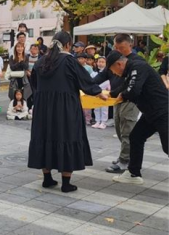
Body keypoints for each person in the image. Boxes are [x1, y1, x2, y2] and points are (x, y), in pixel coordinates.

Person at [28, 31, 107, 193]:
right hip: (65, 108)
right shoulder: (70, 61)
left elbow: (34, 83)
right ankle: (66, 182)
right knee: (67, 136)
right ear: (68, 45)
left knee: (44, 137)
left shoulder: (41, 62)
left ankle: (47, 178)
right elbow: (85, 82)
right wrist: (98, 92)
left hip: (43, 108)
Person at [107, 51, 168, 185]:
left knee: (167, 146)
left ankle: (133, 172)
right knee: (136, 137)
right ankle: (133, 173)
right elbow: (125, 87)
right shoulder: (131, 70)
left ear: (119, 64)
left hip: (163, 112)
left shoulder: (138, 67)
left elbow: (133, 91)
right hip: (150, 113)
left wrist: (121, 96)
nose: (115, 74)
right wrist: (109, 94)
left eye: (113, 71)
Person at [92, 34, 141, 173]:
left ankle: (125, 160)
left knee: (127, 129)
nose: (118, 49)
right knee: (119, 128)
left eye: (121, 47)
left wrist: (118, 93)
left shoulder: (136, 62)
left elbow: (131, 84)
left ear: (130, 45)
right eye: (116, 47)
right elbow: (100, 77)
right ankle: (126, 156)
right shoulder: (114, 59)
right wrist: (87, 85)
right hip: (117, 99)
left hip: (130, 99)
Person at [91, 57, 110, 129]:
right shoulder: (94, 73)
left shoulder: (107, 73)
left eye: (103, 62)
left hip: (104, 91)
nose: (101, 63)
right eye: (99, 61)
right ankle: (97, 121)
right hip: (96, 91)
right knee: (96, 107)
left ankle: (103, 122)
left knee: (104, 107)